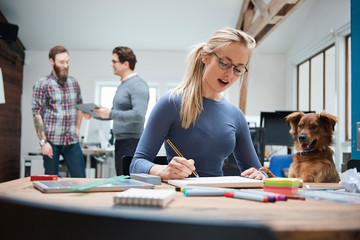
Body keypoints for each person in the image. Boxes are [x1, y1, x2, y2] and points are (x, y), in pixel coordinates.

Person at [130, 27, 267, 180]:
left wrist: (259, 174)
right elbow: (136, 164)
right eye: (224, 63)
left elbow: (256, 170)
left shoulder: (236, 115)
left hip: (219, 195)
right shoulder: (171, 103)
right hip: (182, 196)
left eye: (238, 69)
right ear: (205, 57)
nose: (229, 74)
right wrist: (163, 171)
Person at [93, 46, 149, 176]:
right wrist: (96, 114)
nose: (111, 64)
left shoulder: (138, 85)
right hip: (121, 142)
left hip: (131, 143)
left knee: (128, 181)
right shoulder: (124, 84)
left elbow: (139, 115)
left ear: (126, 64)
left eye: (114, 61)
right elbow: (116, 113)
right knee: (122, 179)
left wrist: (111, 113)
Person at [32, 45, 86, 177]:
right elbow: (36, 113)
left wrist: (78, 127)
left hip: (72, 141)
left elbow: (79, 106)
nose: (66, 65)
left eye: (67, 61)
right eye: (61, 62)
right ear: (52, 61)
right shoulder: (43, 84)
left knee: (81, 178)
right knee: (50, 179)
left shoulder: (74, 83)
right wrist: (43, 142)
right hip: (51, 142)